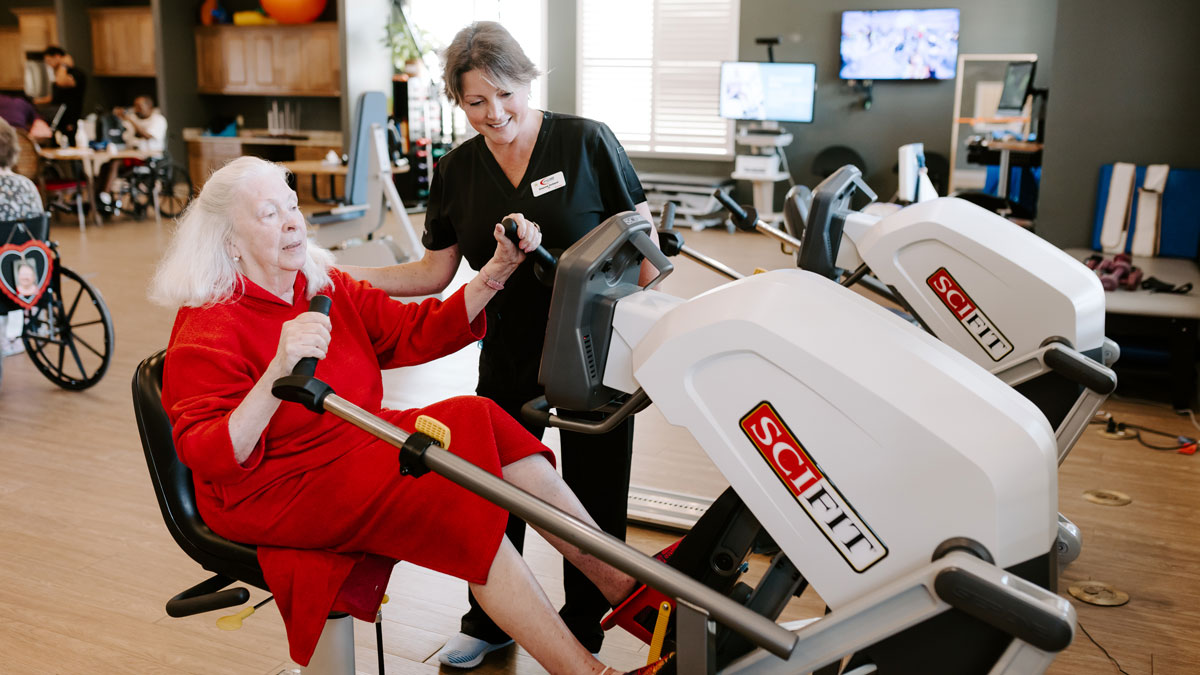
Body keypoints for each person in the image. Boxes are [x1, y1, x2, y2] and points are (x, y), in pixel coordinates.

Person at [151, 156, 674, 675]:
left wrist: (495, 271)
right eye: (269, 214)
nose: (293, 222)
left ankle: (635, 594)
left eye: (293, 206)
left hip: (350, 444)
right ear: (228, 242)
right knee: (454, 491)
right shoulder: (208, 326)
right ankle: (588, 673)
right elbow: (210, 454)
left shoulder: (318, 283)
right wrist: (275, 374)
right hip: (273, 485)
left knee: (479, 416)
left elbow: (414, 331)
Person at [340, 21, 660, 668]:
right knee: (493, 491)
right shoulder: (459, 169)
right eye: (475, 102)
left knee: (593, 501)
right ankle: (488, 619)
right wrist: (338, 274)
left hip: (592, 354)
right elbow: (433, 272)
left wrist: (642, 333)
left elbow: (647, 255)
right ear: (459, 103)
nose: (494, 114)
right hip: (510, 355)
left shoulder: (586, 141)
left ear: (526, 80)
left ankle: (585, 629)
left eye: (504, 94)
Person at [34, 46, 87, 141]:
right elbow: (55, 97)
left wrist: (63, 65)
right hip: (57, 120)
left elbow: (61, 82)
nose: (48, 64)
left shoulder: (76, 73)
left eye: (49, 60)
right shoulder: (58, 74)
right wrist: (36, 101)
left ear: (57, 56)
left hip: (70, 120)